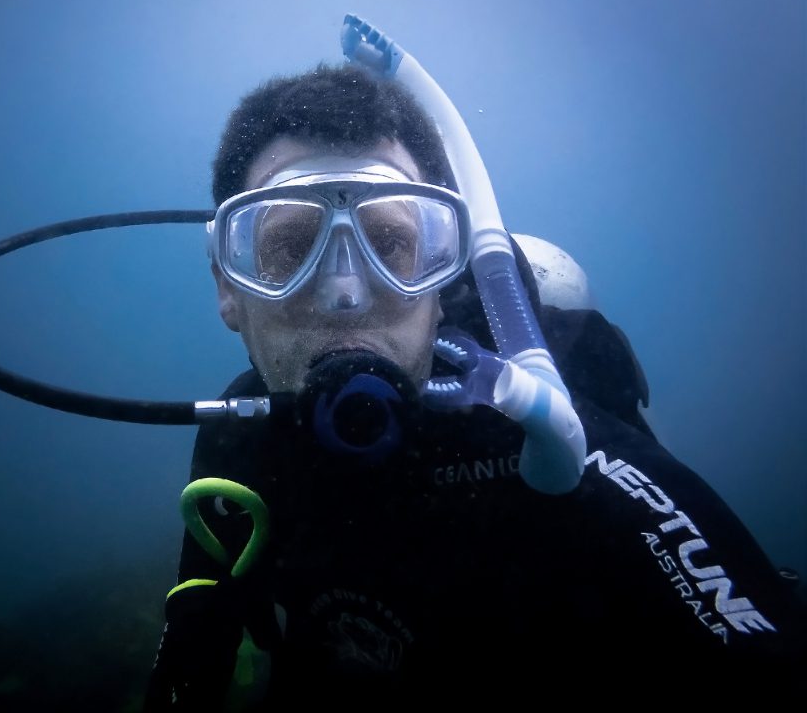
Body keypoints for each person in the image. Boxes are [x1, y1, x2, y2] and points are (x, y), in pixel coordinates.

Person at [143, 64, 805, 710]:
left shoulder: (535, 428)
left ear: (443, 278)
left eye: (390, 244)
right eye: (290, 249)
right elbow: (192, 654)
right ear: (229, 288)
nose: (345, 295)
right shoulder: (239, 449)